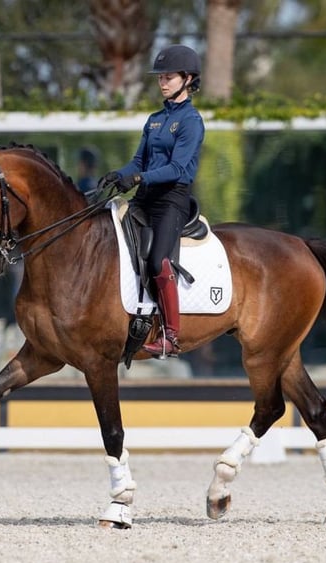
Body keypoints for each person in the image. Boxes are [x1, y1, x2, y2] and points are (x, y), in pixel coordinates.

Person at [98, 44, 205, 358]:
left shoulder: (191, 121)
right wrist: (120, 174)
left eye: (169, 77)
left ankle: (171, 335)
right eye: (161, 77)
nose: (163, 82)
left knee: (159, 260)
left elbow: (176, 169)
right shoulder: (155, 119)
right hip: (143, 197)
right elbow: (138, 161)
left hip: (171, 200)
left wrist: (139, 178)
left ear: (187, 79)